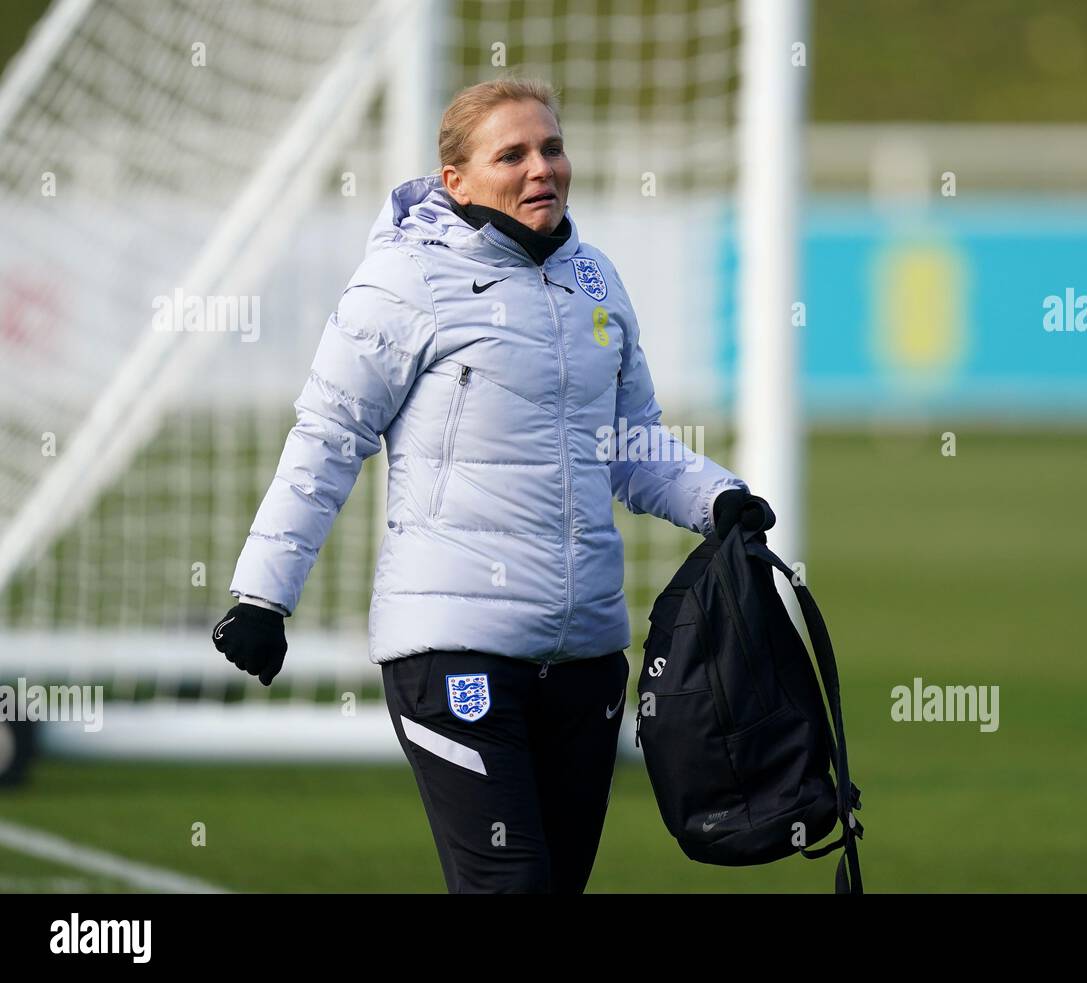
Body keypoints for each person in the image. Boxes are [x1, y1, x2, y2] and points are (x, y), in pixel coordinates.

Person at [211, 78, 774, 893]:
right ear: (457, 182)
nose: (541, 167)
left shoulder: (596, 281)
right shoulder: (403, 281)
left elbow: (632, 443)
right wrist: (264, 596)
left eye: (551, 147)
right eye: (511, 153)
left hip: (586, 655)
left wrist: (720, 497)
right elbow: (327, 438)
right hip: (453, 650)